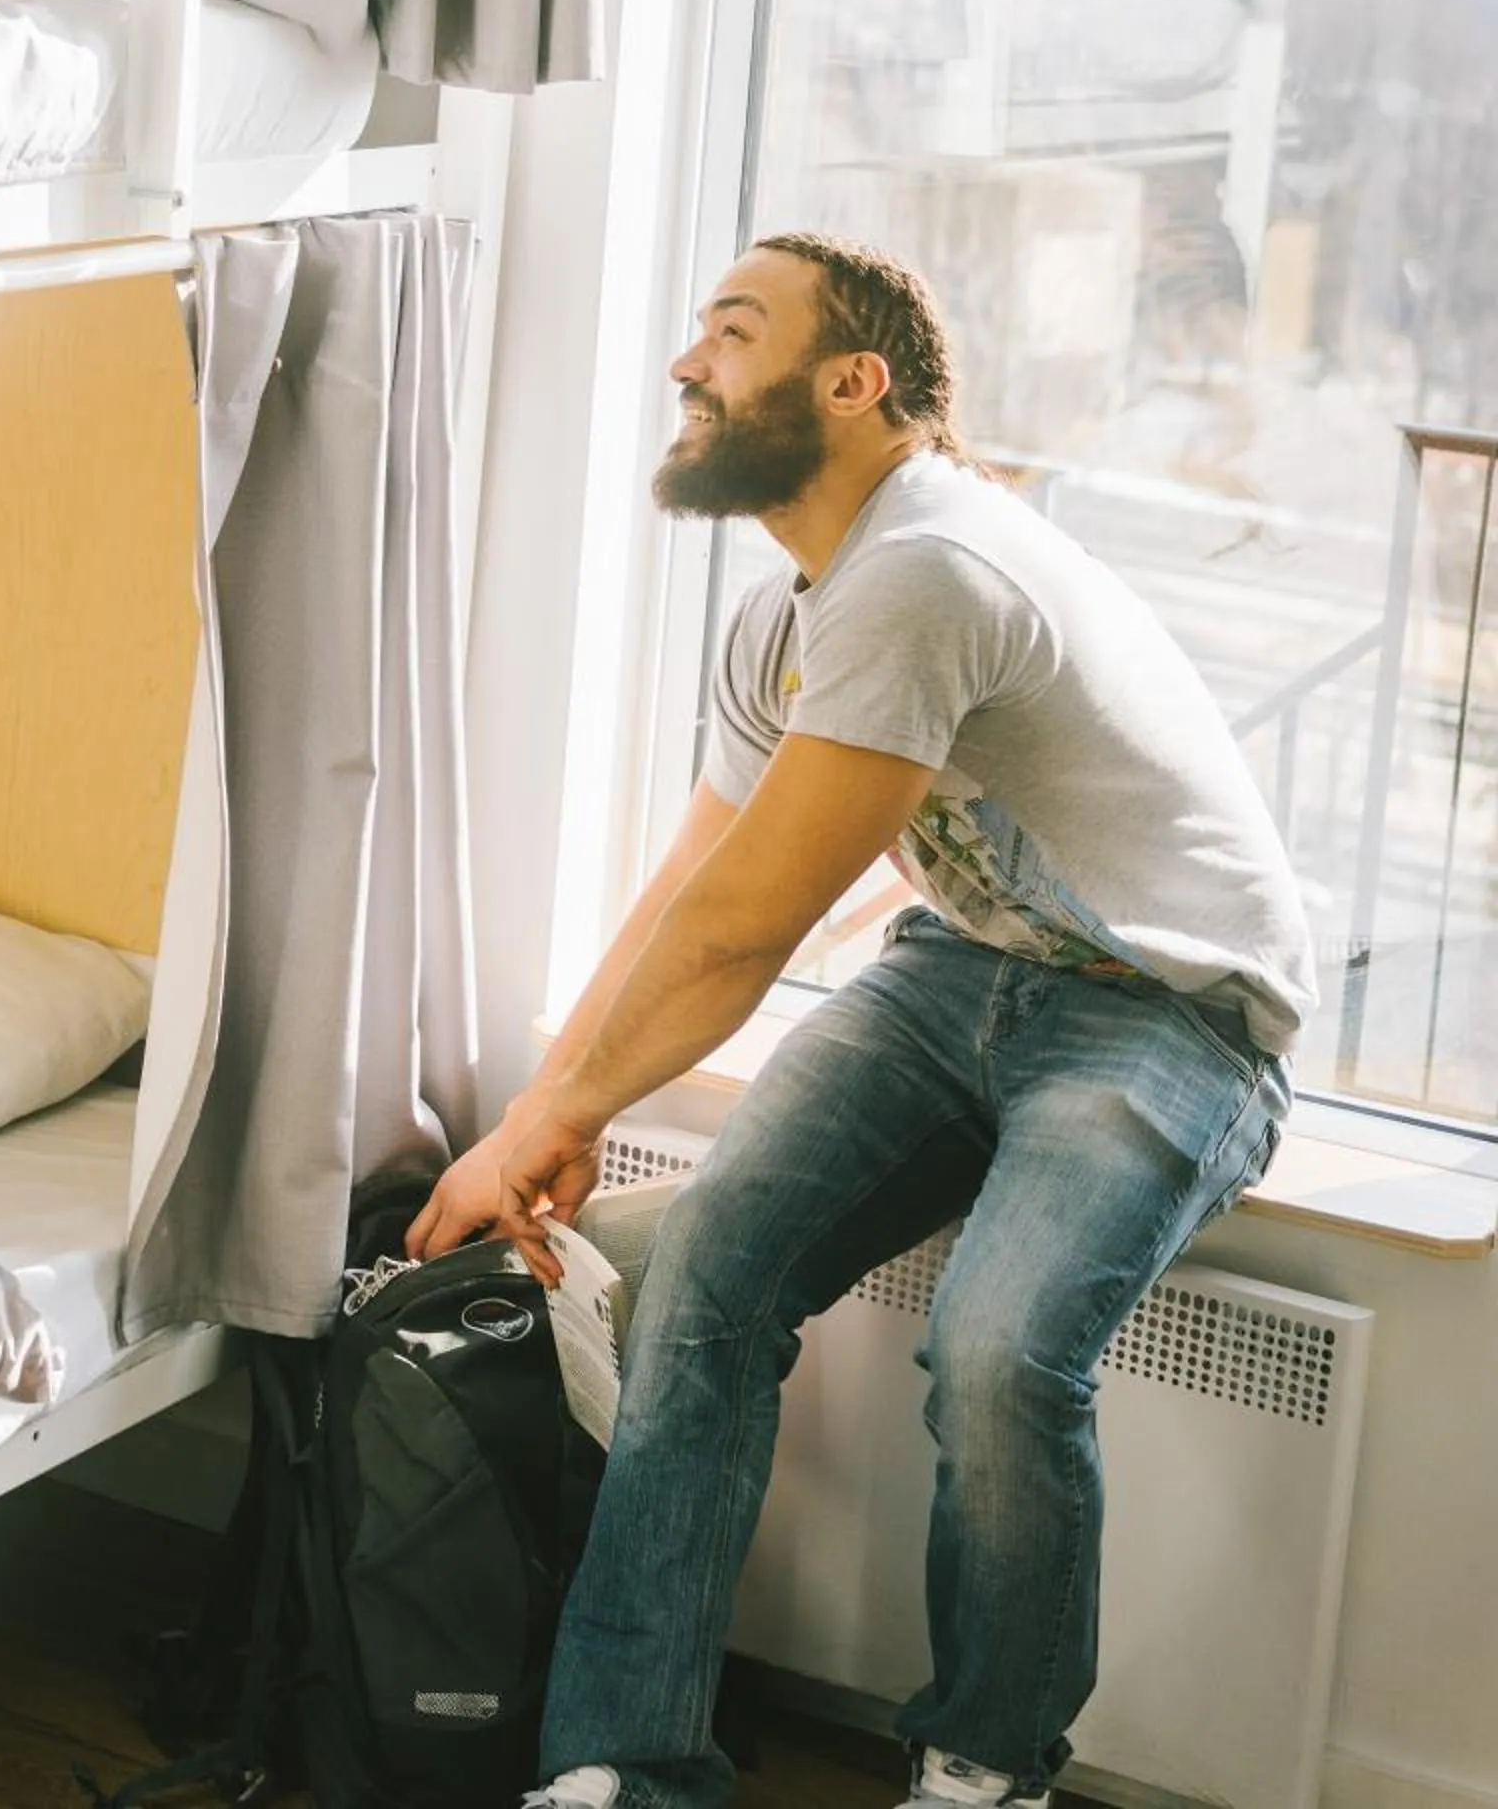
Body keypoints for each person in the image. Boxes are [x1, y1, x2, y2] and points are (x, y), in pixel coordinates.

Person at [410, 234, 1315, 1809]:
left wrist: (544, 1128)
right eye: (696, 330)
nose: (689, 363)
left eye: (733, 331)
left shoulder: (933, 568)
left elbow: (750, 933)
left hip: (1171, 1015)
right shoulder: (786, 621)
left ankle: (985, 1766)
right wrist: (543, 1113)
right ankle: (622, 1768)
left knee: (999, 1345)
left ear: (855, 383)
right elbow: (691, 897)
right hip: (962, 969)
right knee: (699, 1283)